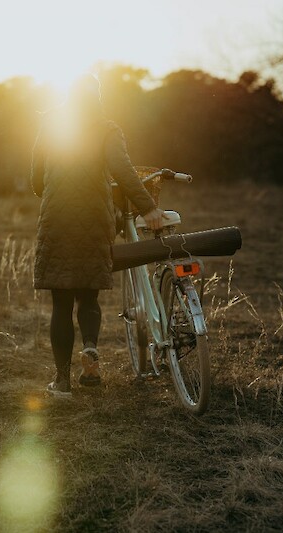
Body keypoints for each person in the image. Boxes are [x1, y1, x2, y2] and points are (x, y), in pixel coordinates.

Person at [30, 74, 167, 397]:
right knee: (88, 295)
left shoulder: (50, 123)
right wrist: (148, 208)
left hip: (57, 220)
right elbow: (123, 170)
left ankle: (61, 381)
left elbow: (36, 180)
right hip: (94, 219)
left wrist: (55, 188)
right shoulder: (107, 128)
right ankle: (90, 349)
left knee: (61, 302)